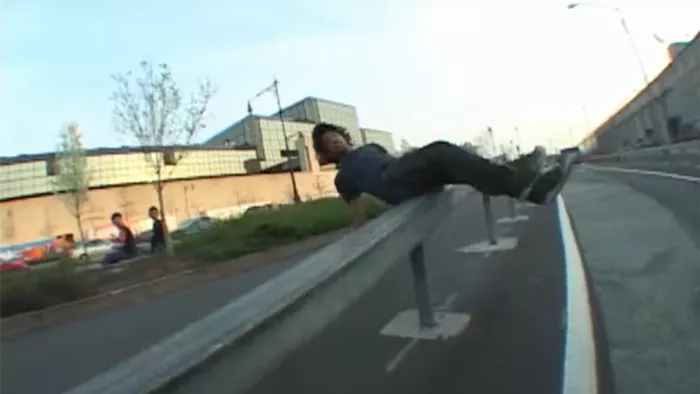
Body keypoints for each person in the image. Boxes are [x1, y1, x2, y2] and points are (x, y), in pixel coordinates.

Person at [311, 123, 574, 226]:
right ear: (326, 152)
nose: (335, 141)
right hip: (391, 181)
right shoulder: (343, 177)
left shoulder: (371, 147)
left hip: (405, 172)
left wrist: (413, 164)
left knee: (459, 166)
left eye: (336, 136)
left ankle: (527, 183)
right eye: (329, 142)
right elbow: (356, 212)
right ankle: (522, 180)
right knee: (440, 150)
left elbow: (398, 160)